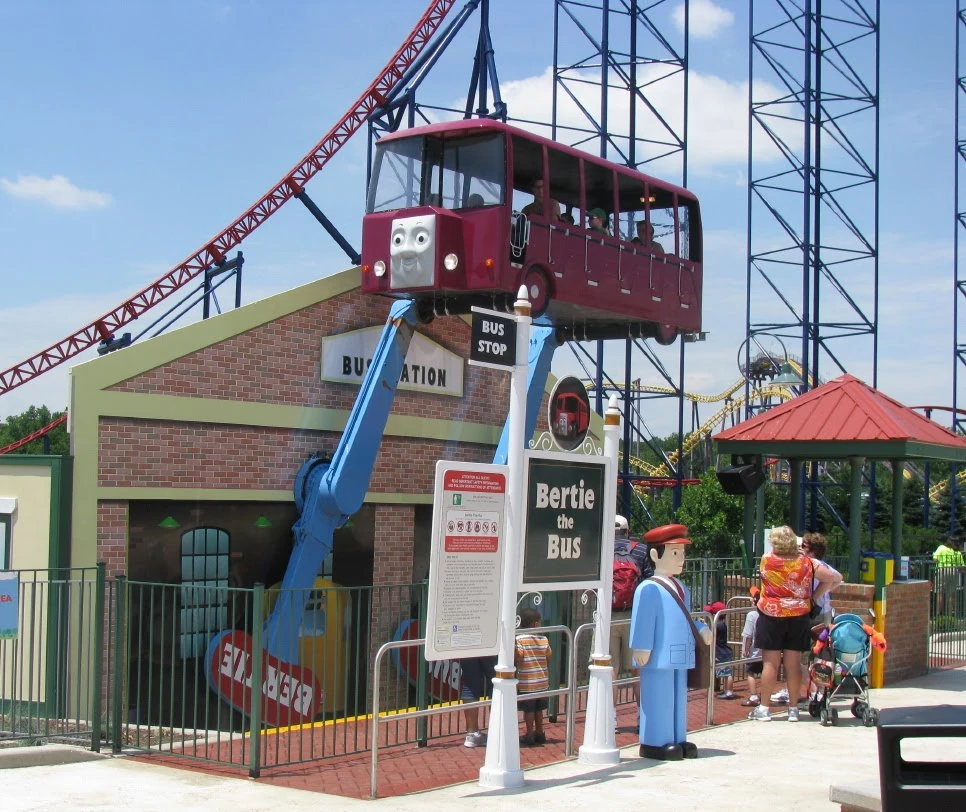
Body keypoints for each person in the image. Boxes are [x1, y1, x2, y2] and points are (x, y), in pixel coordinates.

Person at [630, 523, 712, 761]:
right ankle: (655, 741)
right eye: (675, 552)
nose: (681, 559)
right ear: (655, 555)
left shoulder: (682, 588)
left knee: (678, 698)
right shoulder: (648, 588)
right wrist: (641, 645)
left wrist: (700, 628)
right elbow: (643, 619)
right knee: (659, 696)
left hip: (679, 652)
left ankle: (677, 737)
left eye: (682, 553)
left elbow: (684, 617)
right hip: (659, 653)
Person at [749, 525, 839, 722]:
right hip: (798, 615)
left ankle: (764, 709)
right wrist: (813, 598)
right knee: (793, 664)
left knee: (770, 663)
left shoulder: (767, 560)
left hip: (771, 615)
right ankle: (793, 709)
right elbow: (832, 578)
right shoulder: (807, 562)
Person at [772, 532, 844, 705]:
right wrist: (822, 593)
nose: (799, 548)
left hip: (810, 615)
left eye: (803, 546)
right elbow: (838, 578)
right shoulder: (822, 565)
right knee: (817, 655)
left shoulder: (812, 563)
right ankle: (817, 690)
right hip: (822, 613)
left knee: (797, 656)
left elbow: (836, 579)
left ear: (812, 550)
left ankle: (807, 691)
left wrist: (813, 596)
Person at [610, 514, 650, 724]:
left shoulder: (601, 549)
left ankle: (611, 718)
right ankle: (641, 715)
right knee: (638, 667)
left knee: (610, 669)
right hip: (634, 616)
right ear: (627, 530)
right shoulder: (640, 550)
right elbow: (649, 581)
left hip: (607, 617)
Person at [516, 608, 552, 746]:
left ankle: (529, 733)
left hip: (527, 682)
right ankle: (540, 731)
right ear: (535, 624)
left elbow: (519, 657)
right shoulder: (543, 639)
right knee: (539, 709)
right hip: (542, 680)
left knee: (529, 710)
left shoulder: (520, 639)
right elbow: (549, 657)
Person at [459, 655, 497, 747]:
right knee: (495, 683)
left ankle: (472, 733)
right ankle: (497, 732)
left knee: (469, 684)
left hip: (467, 646)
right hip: (490, 646)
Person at [705, 600, 737, 699]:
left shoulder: (717, 626)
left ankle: (729, 691)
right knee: (727, 673)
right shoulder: (722, 625)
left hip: (720, 653)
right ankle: (727, 690)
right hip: (725, 651)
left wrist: (706, 626)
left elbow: (710, 636)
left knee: (727, 673)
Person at [741, 586, 763, 707]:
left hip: (754, 650)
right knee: (765, 672)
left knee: (750, 673)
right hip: (766, 650)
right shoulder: (767, 612)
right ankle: (764, 696)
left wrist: (745, 649)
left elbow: (748, 635)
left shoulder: (752, 615)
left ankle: (754, 695)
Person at [932, 536, 965, 615]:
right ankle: (951, 613)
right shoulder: (957, 552)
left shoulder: (941, 548)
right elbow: (962, 566)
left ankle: (939, 613)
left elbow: (935, 559)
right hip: (954, 571)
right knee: (951, 593)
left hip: (942, 570)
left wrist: (934, 555)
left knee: (940, 592)